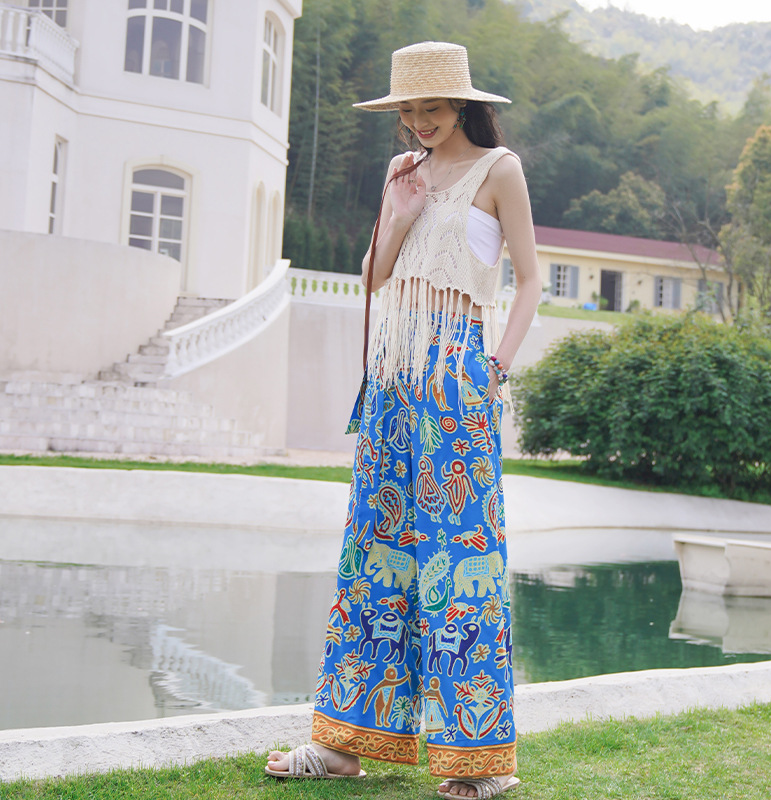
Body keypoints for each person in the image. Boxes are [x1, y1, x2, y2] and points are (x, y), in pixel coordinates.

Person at [266, 41, 542, 800]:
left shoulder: (500, 170)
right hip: (393, 375)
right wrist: (401, 214)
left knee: (460, 558)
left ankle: (480, 761)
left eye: (433, 108)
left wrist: (495, 369)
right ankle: (343, 744)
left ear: (462, 106)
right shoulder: (401, 172)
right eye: (409, 110)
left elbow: (530, 280)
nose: (420, 121)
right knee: (375, 553)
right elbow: (373, 275)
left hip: (456, 376)